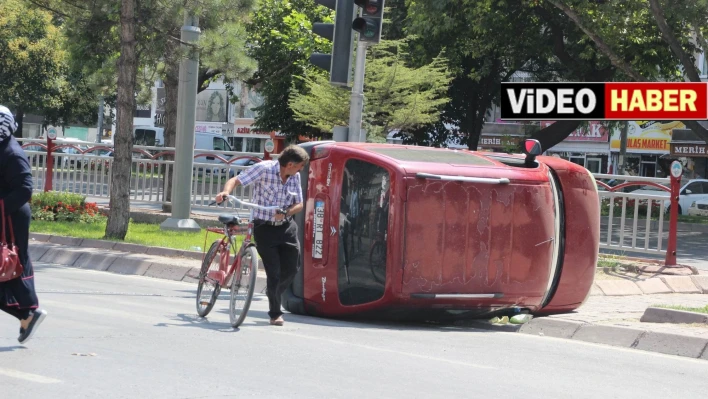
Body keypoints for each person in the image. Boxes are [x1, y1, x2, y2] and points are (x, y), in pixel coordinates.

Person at [216, 145, 308, 326]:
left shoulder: (294, 176)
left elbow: (299, 204)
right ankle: (275, 313)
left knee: (292, 269)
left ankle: (272, 292)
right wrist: (225, 191)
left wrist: (286, 212)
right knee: (273, 273)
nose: (301, 170)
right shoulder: (263, 169)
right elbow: (236, 180)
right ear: (290, 164)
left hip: (287, 227)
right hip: (264, 228)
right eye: (300, 166)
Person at [0, 105, 47, 343]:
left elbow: (25, 189)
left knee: (12, 263)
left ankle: (27, 312)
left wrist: (0, 208)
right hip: (5, 216)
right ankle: (27, 313)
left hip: (10, 218)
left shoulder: (12, 153)